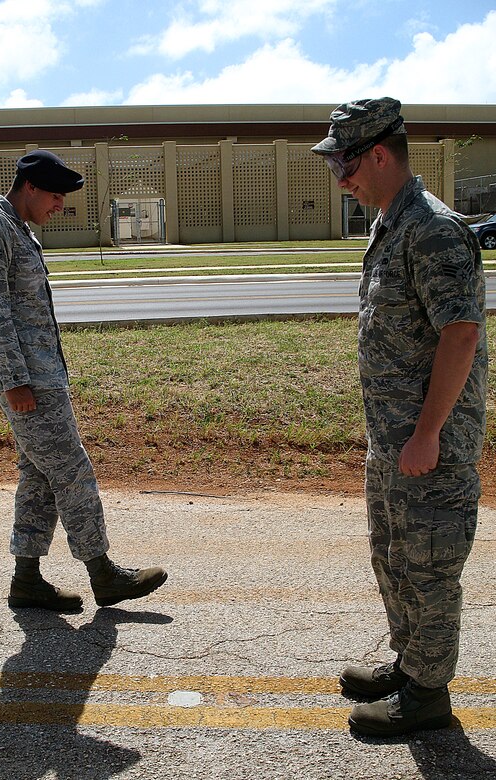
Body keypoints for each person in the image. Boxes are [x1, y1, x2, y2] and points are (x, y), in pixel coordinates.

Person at [312, 98, 487, 737]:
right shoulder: (392, 223)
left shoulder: (433, 229)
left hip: (428, 447)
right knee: (394, 556)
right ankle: (411, 664)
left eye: (346, 164)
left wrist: (428, 432)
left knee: (429, 566)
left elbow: (460, 334)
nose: (341, 179)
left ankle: (428, 699)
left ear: (380, 154)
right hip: (395, 442)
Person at [0, 149, 167, 612]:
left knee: (39, 477)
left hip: (40, 377)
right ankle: (103, 574)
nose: (60, 205)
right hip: (27, 382)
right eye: (55, 195)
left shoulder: (18, 230)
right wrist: (15, 380)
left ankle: (27, 579)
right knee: (72, 472)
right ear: (29, 187)